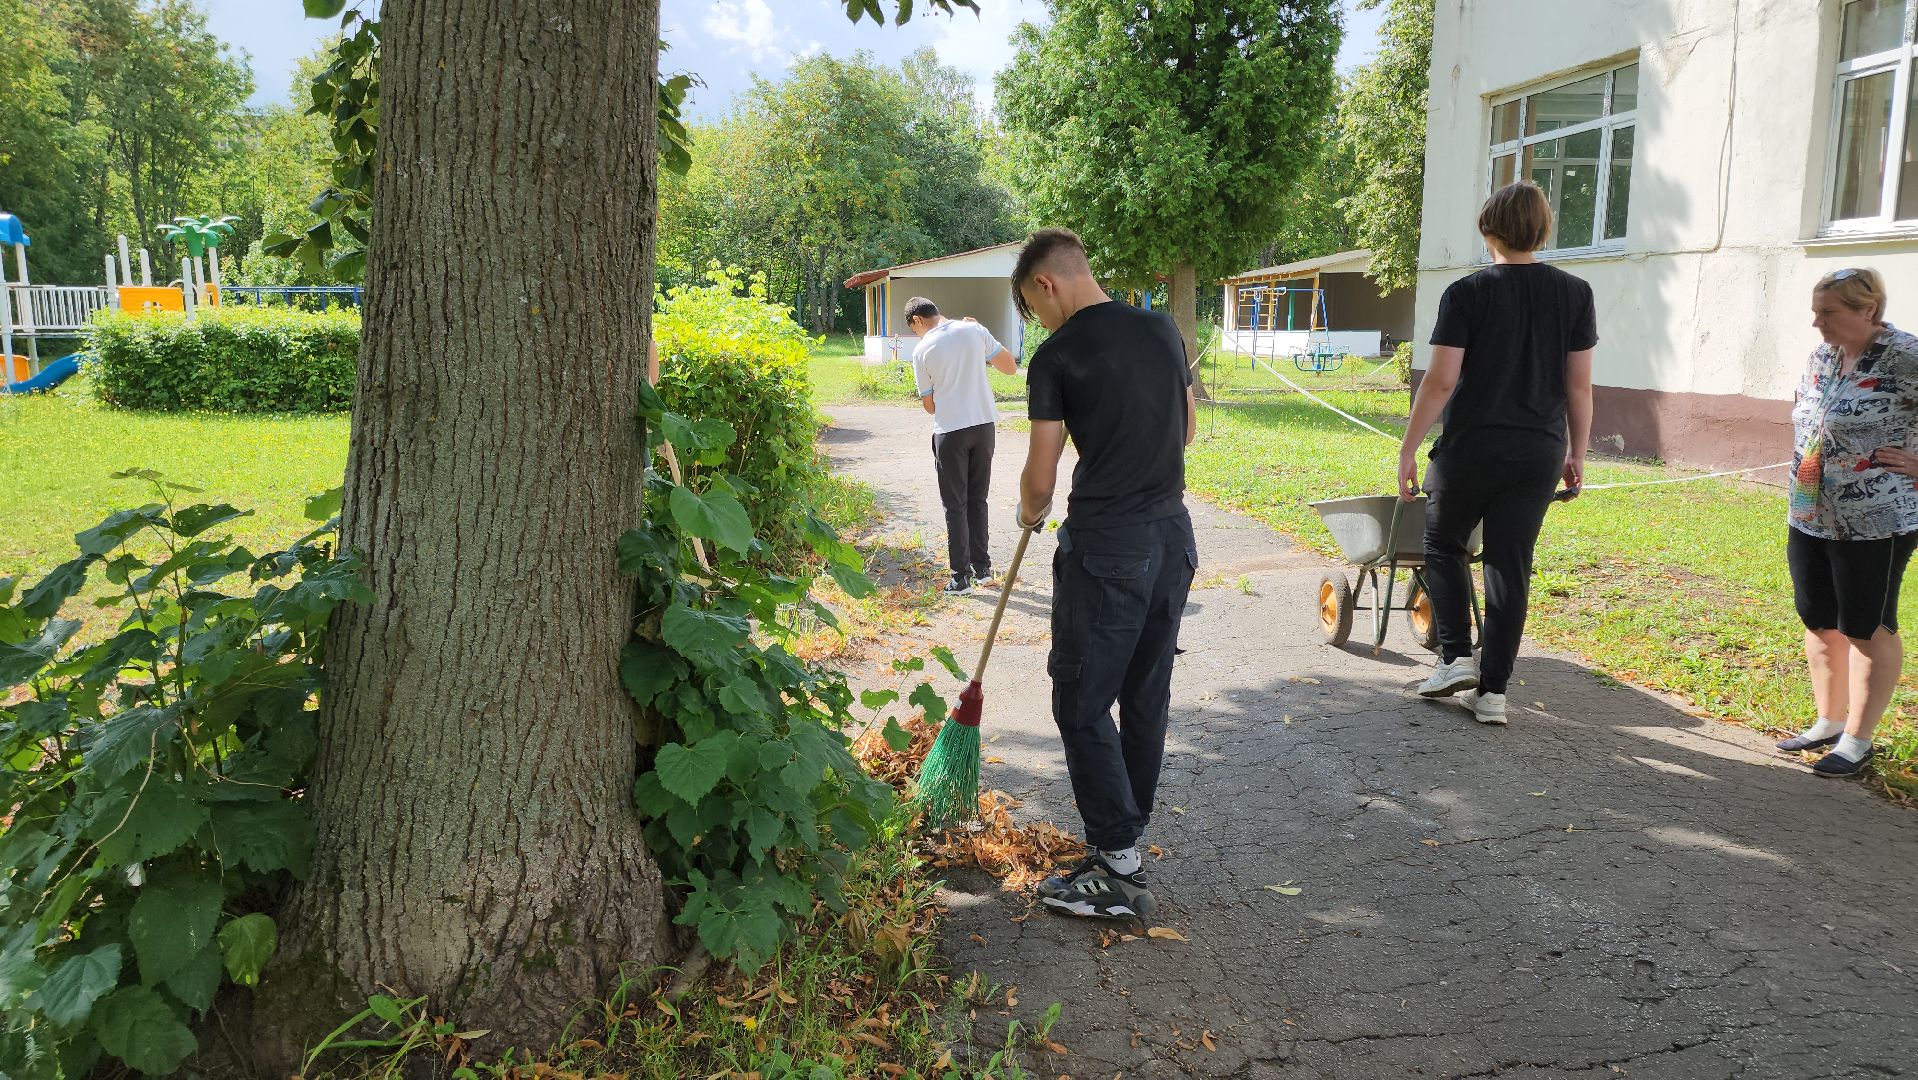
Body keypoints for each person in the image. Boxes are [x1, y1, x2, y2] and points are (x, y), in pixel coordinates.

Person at [1014, 228, 1198, 919]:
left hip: (1106, 549)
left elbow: (1041, 472)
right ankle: (1127, 836)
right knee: (1145, 693)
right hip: (1171, 538)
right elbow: (1185, 431)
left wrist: (1028, 512)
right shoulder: (1160, 328)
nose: (1041, 321)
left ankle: (1118, 871)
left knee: (1082, 701)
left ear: (1046, 285)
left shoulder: (1057, 356)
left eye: (1035, 309)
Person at [1398, 181, 1596, 725]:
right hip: (1537, 451)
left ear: (1488, 230)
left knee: (1441, 542)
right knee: (1511, 564)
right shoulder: (1575, 293)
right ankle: (1494, 695)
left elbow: (1440, 382)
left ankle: (1457, 656)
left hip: (1471, 449)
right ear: (1543, 231)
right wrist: (1577, 452)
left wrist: (1409, 448)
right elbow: (1579, 387)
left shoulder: (1467, 293)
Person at [1775, 268, 1918, 778]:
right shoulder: (1824, 356)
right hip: (1810, 510)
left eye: (1827, 312)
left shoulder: (1907, 357)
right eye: (1815, 311)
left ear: (1868, 310)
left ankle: (1859, 739)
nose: (1816, 323)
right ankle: (1828, 721)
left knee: (1867, 625)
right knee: (1818, 617)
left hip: (1876, 517)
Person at [903, 296, 1019, 593]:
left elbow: (929, 405)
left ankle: (959, 577)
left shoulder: (922, 349)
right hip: (983, 426)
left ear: (916, 320)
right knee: (978, 500)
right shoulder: (973, 330)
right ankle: (983, 570)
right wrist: (981, 331)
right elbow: (1009, 368)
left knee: (955, 505)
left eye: (913, 328)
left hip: (951, 431)